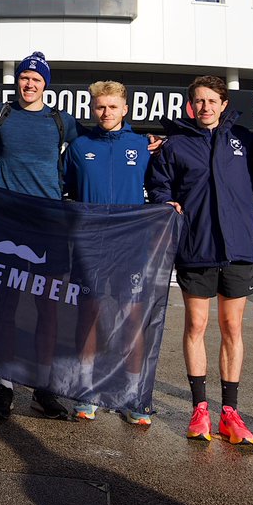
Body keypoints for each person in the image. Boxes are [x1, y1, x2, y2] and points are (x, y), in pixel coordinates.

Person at [145, 75, 253, 447]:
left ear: (224, 104)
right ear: (190, 106)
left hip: (238, 249)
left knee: (232, 328)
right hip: (196, 248)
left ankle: (231, 412)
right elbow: (158, 184)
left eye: (212, 100)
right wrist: (164, 201)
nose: (205, 107)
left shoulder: (243, 140)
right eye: (199, 101)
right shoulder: (175, 145)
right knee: (196, 324)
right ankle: (200, 409)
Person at [0, 51, 79, 421]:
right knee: (6, 305)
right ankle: (5, 387)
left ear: (45, 84)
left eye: (36, 79)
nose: (29, 83)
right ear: (17, 80)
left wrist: (146, 142)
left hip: (49, 226)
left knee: (46, 308)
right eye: (24, 77)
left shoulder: (62, 121)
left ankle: (42, 389)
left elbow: (94, 143)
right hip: (8, 224)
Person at [64, 80, 155, 423]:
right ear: (92, 108)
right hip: (91, 244)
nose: (106, 112)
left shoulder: (142, 145)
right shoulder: (79, 147)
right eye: (100, 106)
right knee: (88, 315)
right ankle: (86, 390)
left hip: (131, 246)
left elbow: (160, 187)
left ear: (125, 109)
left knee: (133, 317)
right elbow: (65, 189)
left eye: (113, 106)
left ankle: (132, 395)